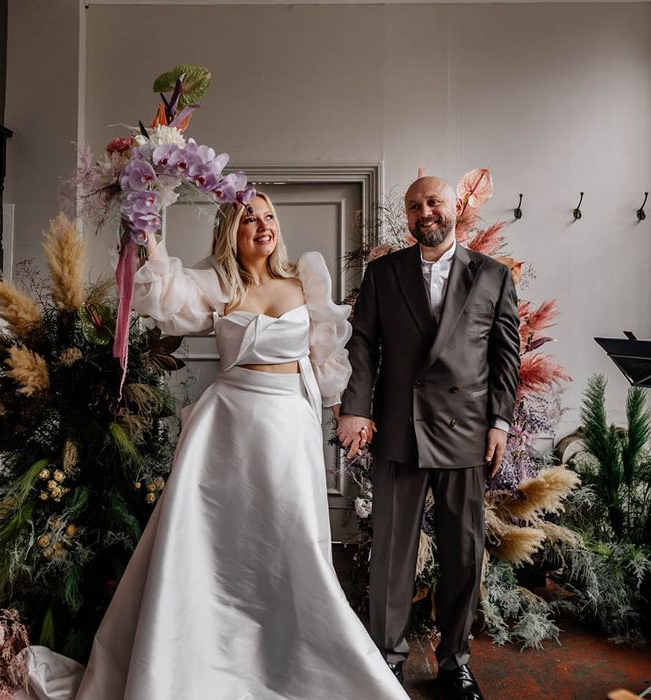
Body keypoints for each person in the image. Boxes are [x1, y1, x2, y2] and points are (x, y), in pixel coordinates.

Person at [63, 193, 410, 699]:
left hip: (288, 427)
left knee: (290, 548)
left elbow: (327, 357)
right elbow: (164, 295)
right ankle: (200, 664)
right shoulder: (215, 284)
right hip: (226, 428)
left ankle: (292, 662)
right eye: (249, 218)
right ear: (231, 230)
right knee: (214, 546)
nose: (262, 225)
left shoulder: (304, 280)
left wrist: (346, 414)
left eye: (269, 216)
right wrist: (148, 229)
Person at [337, 176, 520, 700]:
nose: (424, 213)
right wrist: (355, 409)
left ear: (453, 207)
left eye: (433, 202)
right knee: (392, 556)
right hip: (400, 429)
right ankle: (387, 661)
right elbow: (364, 346)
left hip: (467, 433)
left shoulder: (493, 276)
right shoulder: (382, 273)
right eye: (414, 207)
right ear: (408, 216)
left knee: (463, 555)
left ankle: (455, 664)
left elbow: (506, 356)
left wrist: (500, 422)